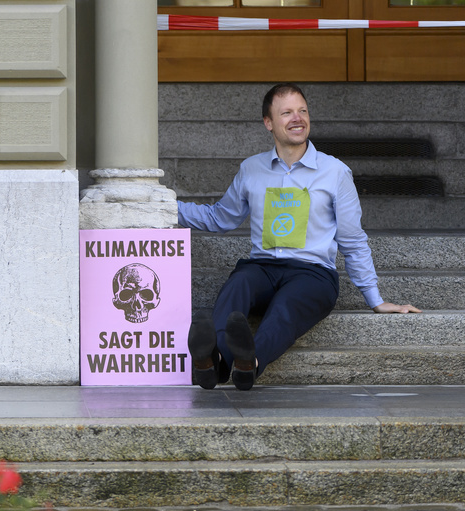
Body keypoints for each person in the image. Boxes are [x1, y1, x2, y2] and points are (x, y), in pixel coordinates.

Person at [179, 83, 420, 391]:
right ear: (268, 123)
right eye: (287, 112)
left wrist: (376, 300)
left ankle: (244, 364)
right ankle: (215, 359)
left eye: (303, 111)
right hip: (263, 267)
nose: (298, 118)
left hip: (312, 273)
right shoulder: (252, 169)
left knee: (286, 307)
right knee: (238, 283)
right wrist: (163, 207)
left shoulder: (334, 172)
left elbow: (352, 239)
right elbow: (219, 218)